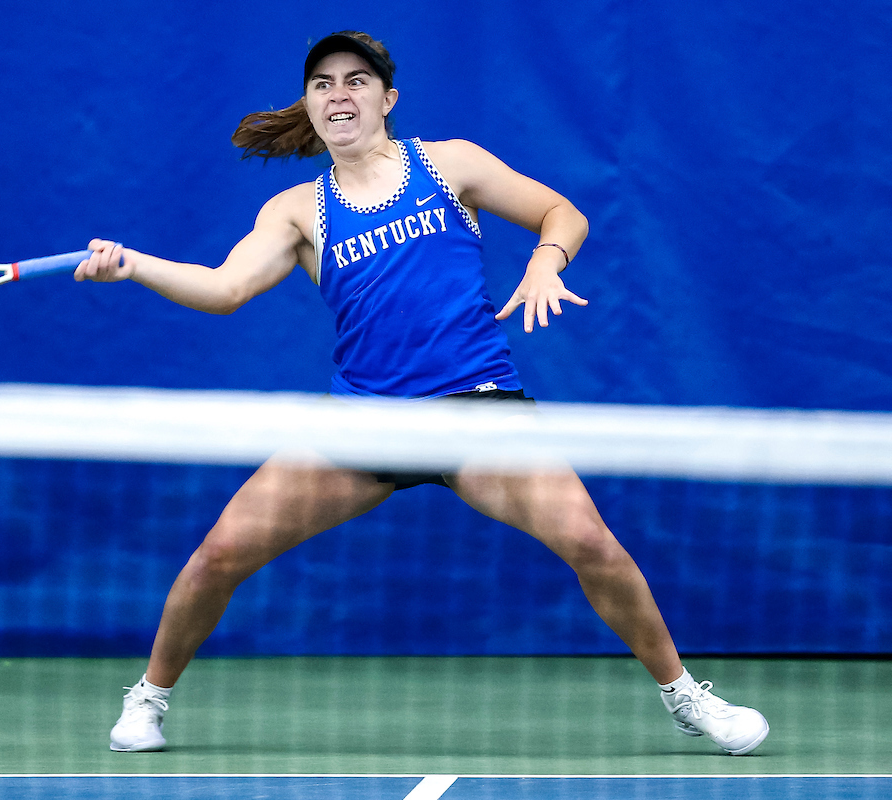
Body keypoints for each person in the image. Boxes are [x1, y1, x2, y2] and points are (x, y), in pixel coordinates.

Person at [75, 31, 769, 756]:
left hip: (477, 409)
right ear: (309, 105)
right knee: (219, 557)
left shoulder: (450, 164)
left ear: (387, 97)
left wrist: (545, 264)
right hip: (364, 420)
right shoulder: (295, 211)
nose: (338, 93)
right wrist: (134, 265)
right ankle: (149, 697)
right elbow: (225, 288)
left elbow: (564, 213)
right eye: (322, 83)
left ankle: (686, 696)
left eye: (355, 80)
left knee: (591, 544)